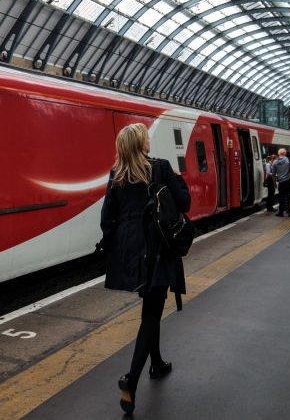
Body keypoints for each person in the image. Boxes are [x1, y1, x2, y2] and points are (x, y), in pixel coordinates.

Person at [98, 123, 190, 414]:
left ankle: (157, 363)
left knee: (151, 306)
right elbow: (184, 203)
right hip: (158, 249)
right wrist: (178, 180)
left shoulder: (117, 176)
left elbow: (107, 219)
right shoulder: (160, 167)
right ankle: (131, 380)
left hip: (131, 253)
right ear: (141, 144)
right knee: (151, 313)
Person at [270, 149, 290, 217]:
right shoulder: (289, 160)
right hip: (289, 182)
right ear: (285, 153)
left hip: (281, 183)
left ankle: (281, 212)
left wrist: (274, 183)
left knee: (281, 198)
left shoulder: (275, 162)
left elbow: (273, 174)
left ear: (278, 154)